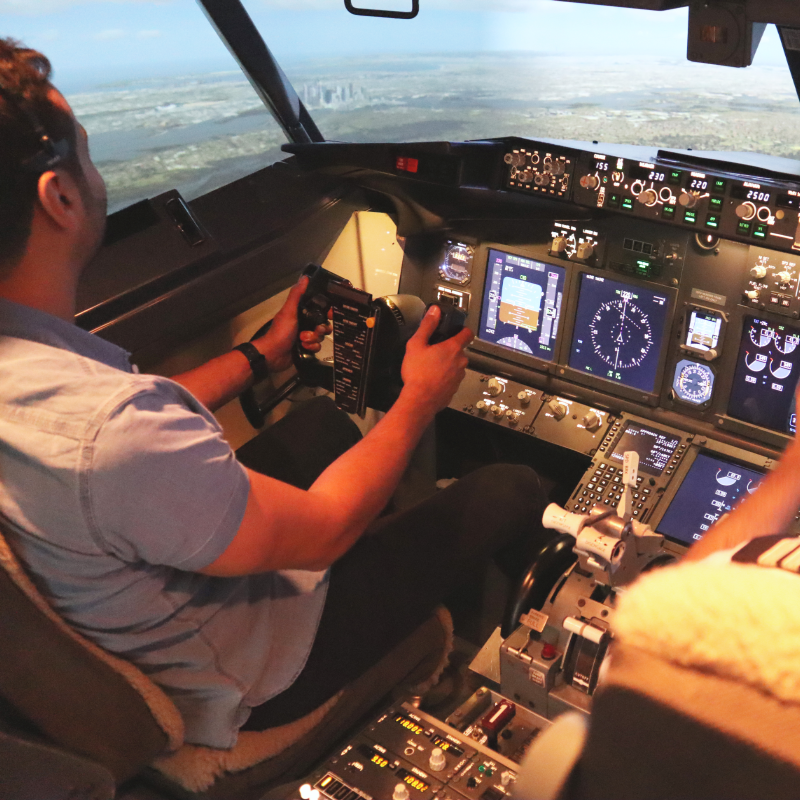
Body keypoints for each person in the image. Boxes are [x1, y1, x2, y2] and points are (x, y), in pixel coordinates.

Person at [0, 39, 551, 750]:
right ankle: (481, 664)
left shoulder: (49, 383)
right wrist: (419, 399)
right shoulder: (111, 432)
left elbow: (123, 426)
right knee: (510, 483)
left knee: (325, 422)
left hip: (126, 604)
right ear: (61, 196)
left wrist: (262, 353)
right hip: (245, 676)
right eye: (85, 147)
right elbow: (322, 527)